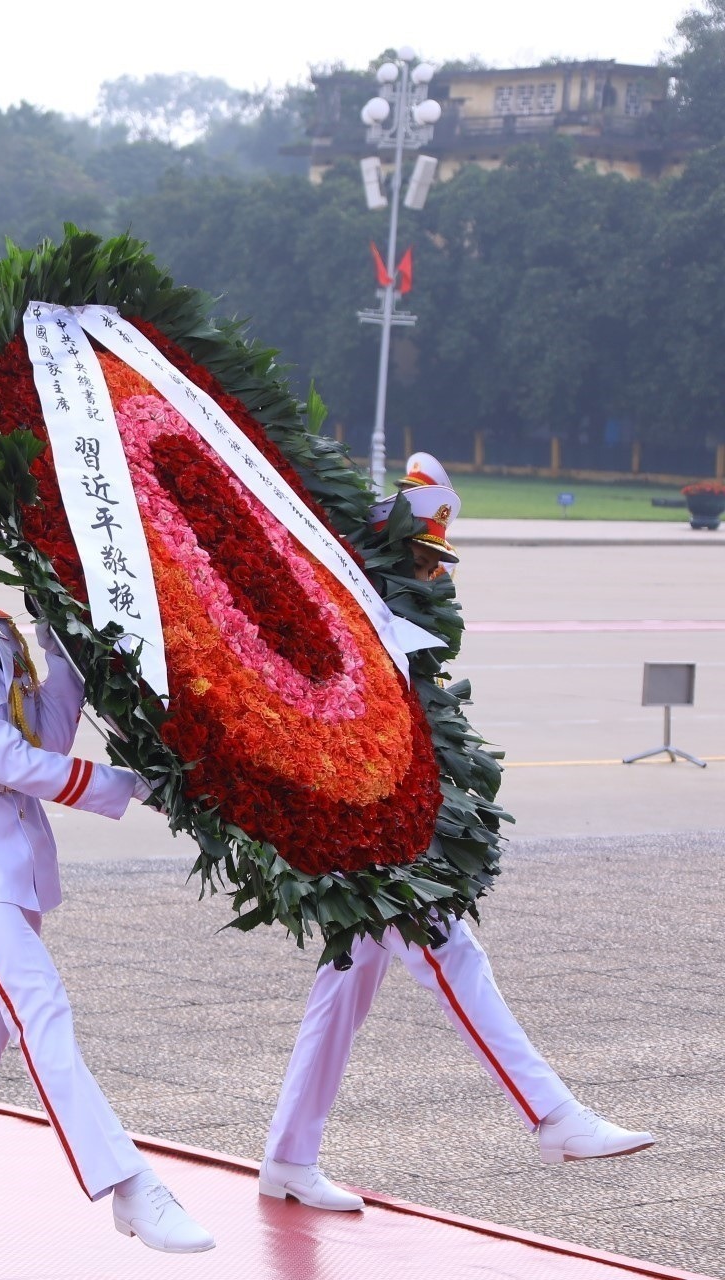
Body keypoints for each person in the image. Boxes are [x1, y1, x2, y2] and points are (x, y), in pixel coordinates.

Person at [259, 467, 652, 1212]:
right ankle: (553, 1115)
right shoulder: (349, 618)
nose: (437, 575)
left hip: (376, 827)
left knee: (343, 988)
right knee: (449, 950)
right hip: (358, 833)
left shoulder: (399, 623)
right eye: (424, 559)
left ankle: (288, 1157)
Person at [0, 464, 214, 1262]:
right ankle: (131, 1189)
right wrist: (132, 786)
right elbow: (10, 762)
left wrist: (63, 643)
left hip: (12, 857)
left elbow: (47, 740)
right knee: (40, 1006)